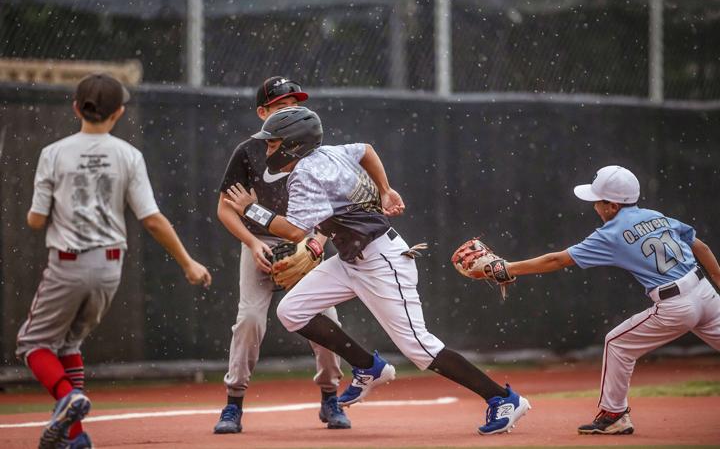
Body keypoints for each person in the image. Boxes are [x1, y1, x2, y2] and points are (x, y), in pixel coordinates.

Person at [222, 106, 531, 435]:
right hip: (351, 258)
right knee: (292, 310)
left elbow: (296, 232)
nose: (268, 148)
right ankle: (368, 367)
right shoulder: (329, 152)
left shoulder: (304, 173)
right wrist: (384, 188)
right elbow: (366, 150)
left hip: (382, 261)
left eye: (273, 142)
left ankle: (502, 399)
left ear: (293, 144)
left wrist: (250, 209)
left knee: (420, 348)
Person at [17, 73, 212, 449]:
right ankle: (76, 438)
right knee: (69, 344)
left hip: (68, 264)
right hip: (109, 267)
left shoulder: (54, 153)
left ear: (76, 107)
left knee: (33, 344)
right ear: (119, 112)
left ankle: (66, 398)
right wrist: (188, 262)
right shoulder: (129, 155)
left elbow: (36, 220)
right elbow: (151, 219)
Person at [489, 165, 720, 434]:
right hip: (705, 291)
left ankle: (614, 415)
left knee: (617, 344)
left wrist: (506, 268)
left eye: (597, 201)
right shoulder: (655, 216)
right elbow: (700, 246)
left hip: (675, 304)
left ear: (611, 205)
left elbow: (557, 260)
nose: (595, 207)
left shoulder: (610, 234)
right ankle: (614, 414)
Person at [213, 77, 350, 434]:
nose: (289, 109)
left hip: (307, 244)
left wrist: (318, 241)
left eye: (295, 103)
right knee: (249, 321)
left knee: (325, 321)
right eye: (279, 105)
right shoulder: (248, 152)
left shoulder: (313, 150)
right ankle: (233, 403)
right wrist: (252, 243)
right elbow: (227, 209)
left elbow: (329, 210)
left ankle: (330, 396)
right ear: (262, 112)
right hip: (259, 243)